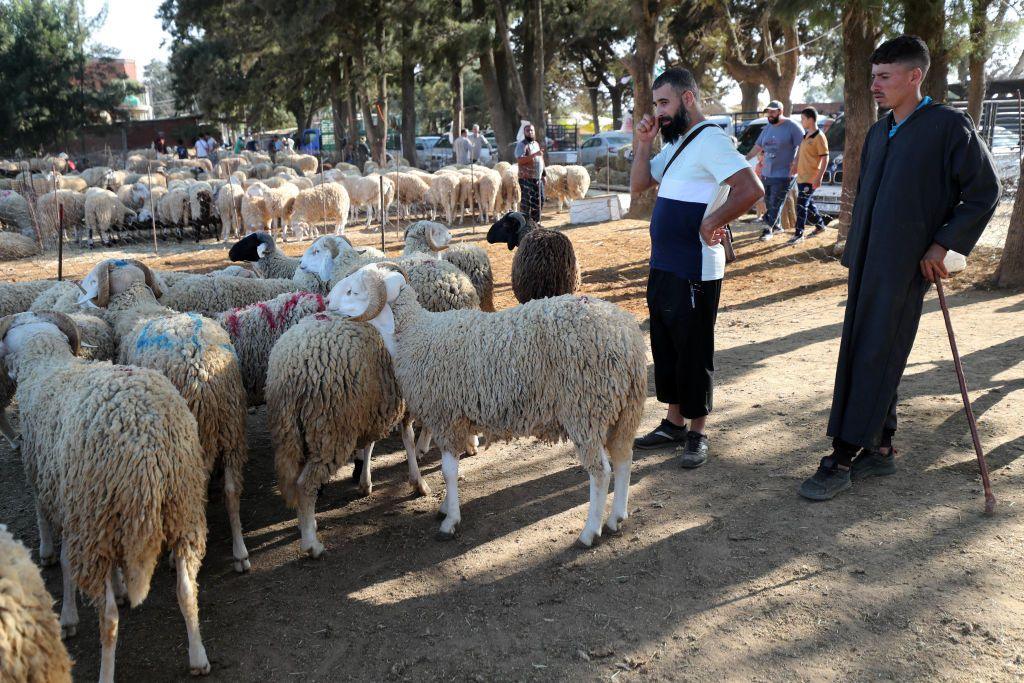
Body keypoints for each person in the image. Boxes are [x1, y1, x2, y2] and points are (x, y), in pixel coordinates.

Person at [798, 35, 1000, 501]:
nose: (875, 85)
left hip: (905, 265)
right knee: (868, 347)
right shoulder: (878, 131)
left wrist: (944, 244)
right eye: (873, 76)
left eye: (885, 77)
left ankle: (843, 455)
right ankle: (882, 447)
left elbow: (984, 191)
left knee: (873, 351)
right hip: (867, 261)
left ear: (915, 77)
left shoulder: (949, 126)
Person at [630, 67, 764, 467]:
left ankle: (697, 432)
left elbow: (751, 189)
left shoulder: (711, 141)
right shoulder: (679, 143)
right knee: (667, 347)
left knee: (694, 350)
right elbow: (639, 185)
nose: (660, 112)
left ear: (688, 99)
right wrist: (643, 143)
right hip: (664, 264)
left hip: (695, 267)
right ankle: (673, 423)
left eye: (665, 103)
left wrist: (712, 221)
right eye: (656, 104)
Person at [744, 101, 804, 241]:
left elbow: (804, 145)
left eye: (773, 111)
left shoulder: (792, 126)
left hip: (784, 174)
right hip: (767, 173)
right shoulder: (767, 128)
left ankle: (767, 230)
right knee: (769, 202)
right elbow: (757, 146)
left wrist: (796, 162)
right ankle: (776, 226)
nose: (769, 115)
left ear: (780, 111)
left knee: (776, 202)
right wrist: (745, 158)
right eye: (768, 112)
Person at [788, 107, 829, 245]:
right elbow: (800, 153)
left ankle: (799, 234)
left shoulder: (819, 137)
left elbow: (825, 158)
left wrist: (819, 177)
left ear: (811, 119)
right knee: (808, 203)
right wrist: (794, 164)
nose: (802, 121)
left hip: (811, 178)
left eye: (803, 119)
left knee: (801, 205)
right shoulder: (805, 135)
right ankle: (820, 225)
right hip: (801, 177)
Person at [515, 123, 546, 223]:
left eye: (532, 130)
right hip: (526, 178)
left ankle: (534, 222)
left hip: (537, 177)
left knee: (540, 200)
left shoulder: (536, 144)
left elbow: (541, 159)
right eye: (527, 130)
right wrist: (535, 154)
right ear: (524, 133)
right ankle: (525, 224)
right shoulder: (522, 145)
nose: (530, 132)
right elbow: (520, 160)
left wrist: (544, 174)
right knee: (527, 203)